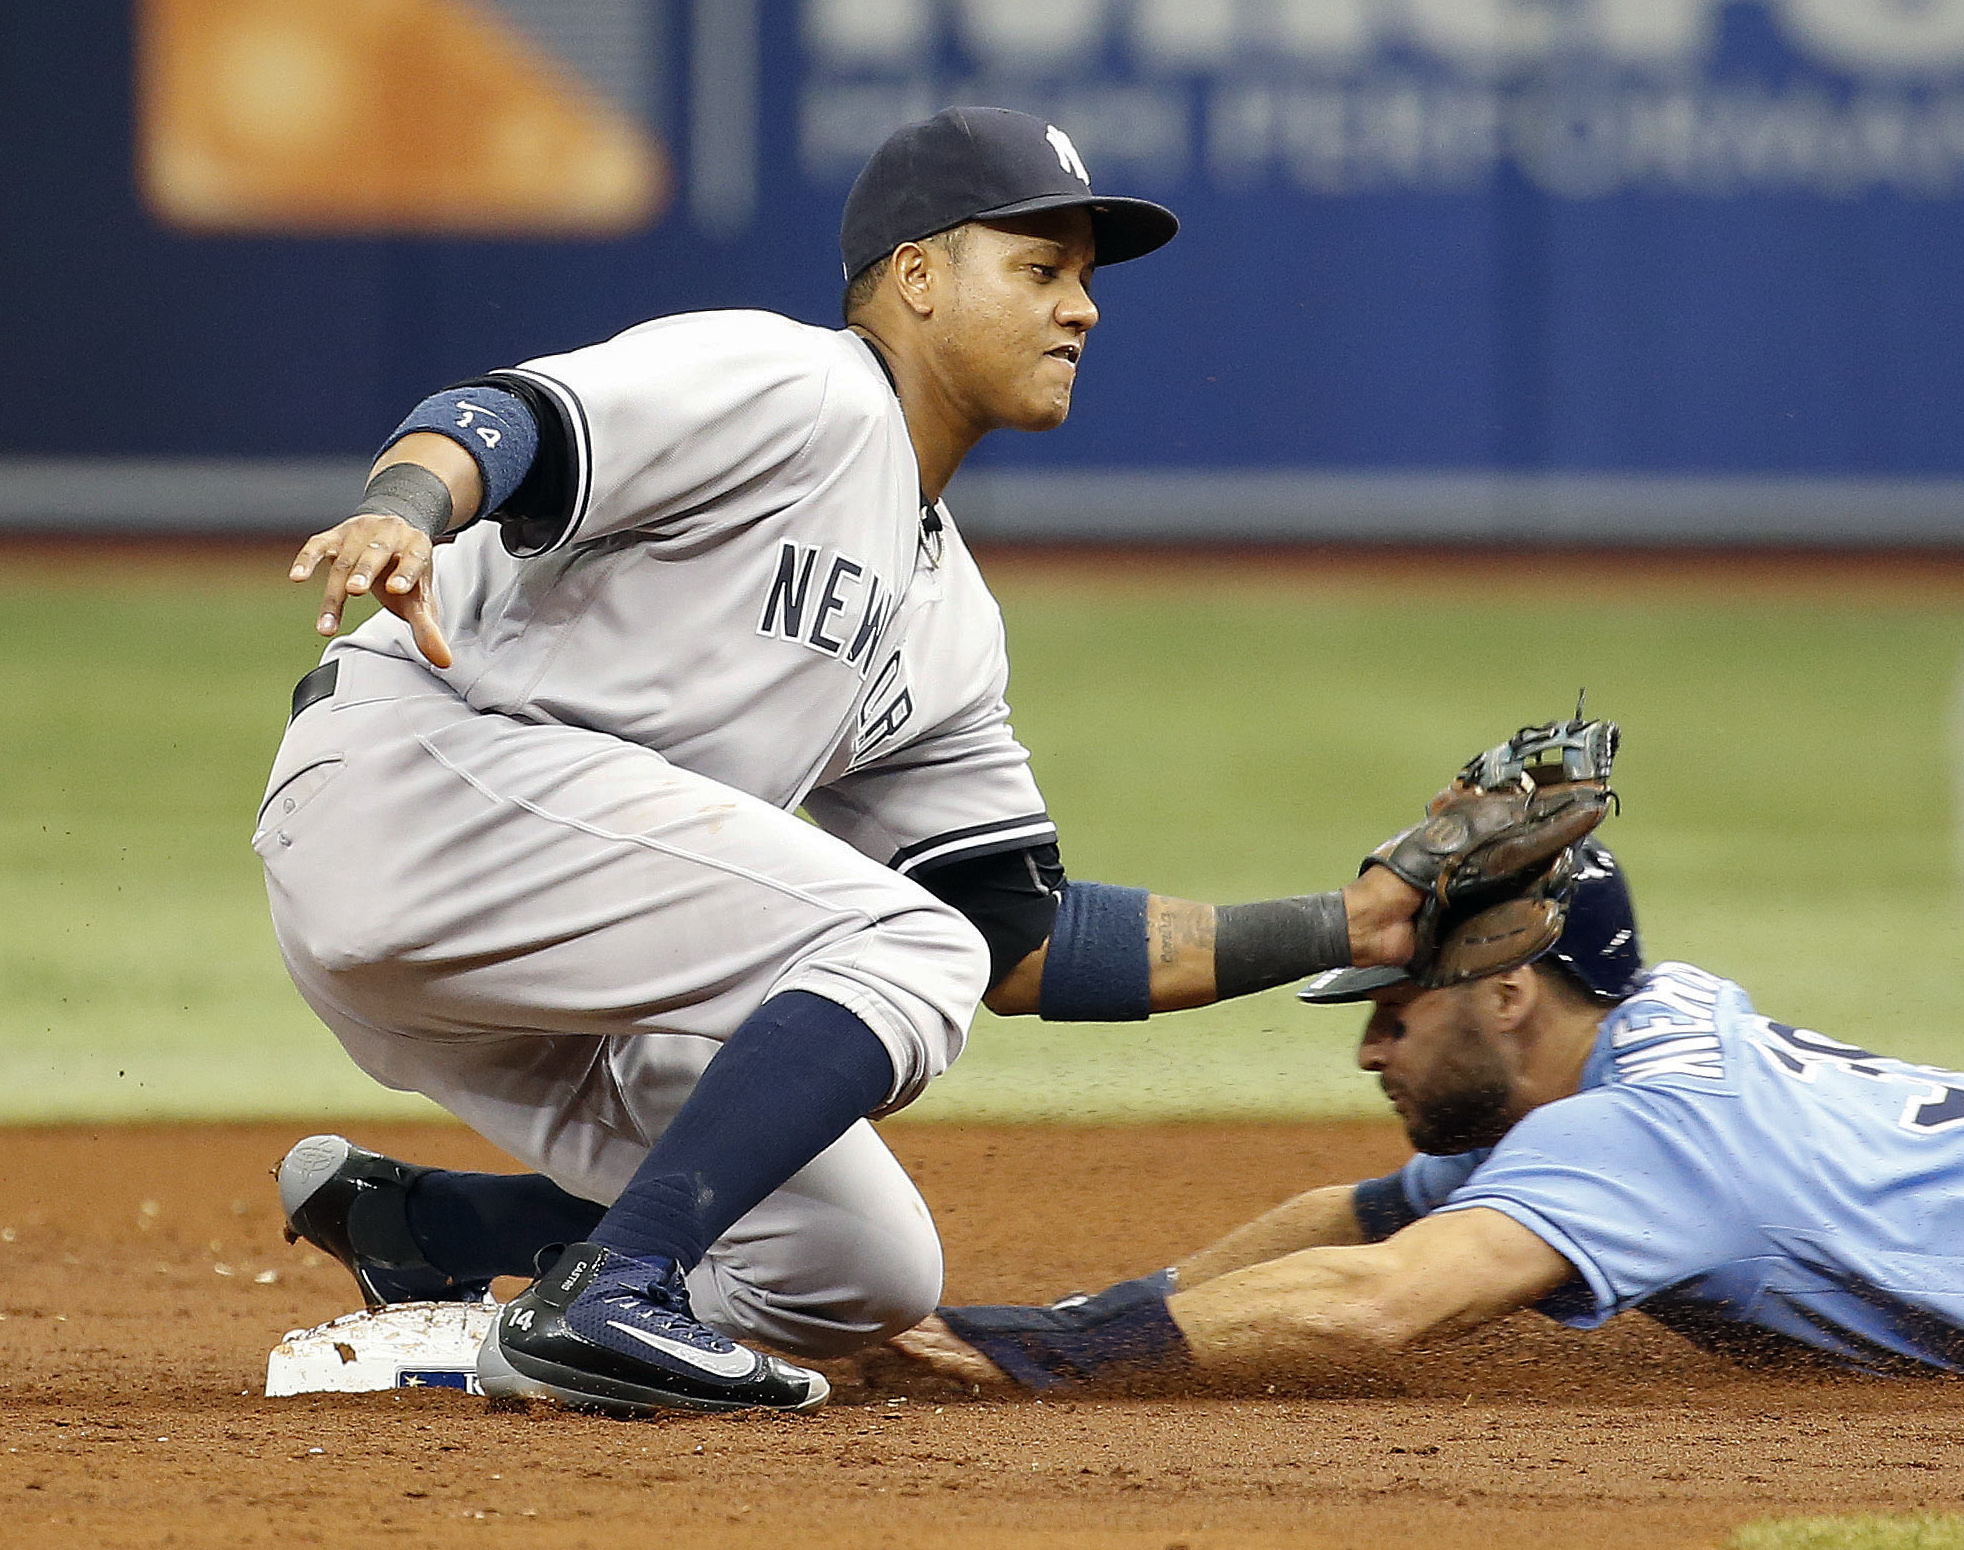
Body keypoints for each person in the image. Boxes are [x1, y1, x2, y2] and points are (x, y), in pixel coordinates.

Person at [259, 106, 1428, 1418]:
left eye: (1085, 280)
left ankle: (438, 1242)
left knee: (858, 1266)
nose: (1082, 310)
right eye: (1039, 270)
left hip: (555, 925)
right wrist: (406, 507)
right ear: (917, 276)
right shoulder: (795, 386)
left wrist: (1366, 922)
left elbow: (1018, 938)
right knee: (903, 944)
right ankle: (611, 1289)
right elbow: (513, 415)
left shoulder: (951, 619)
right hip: (420, 790)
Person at [893, 839, 1964, 1391]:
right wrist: (1103, 1304)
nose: (1367, 1050)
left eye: (1398, 1013)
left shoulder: (1636, 1132)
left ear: (1507, 994)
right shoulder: (1640, 1025)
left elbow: (1378, 1298)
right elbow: (1357, 1219)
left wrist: (1057, 1349)